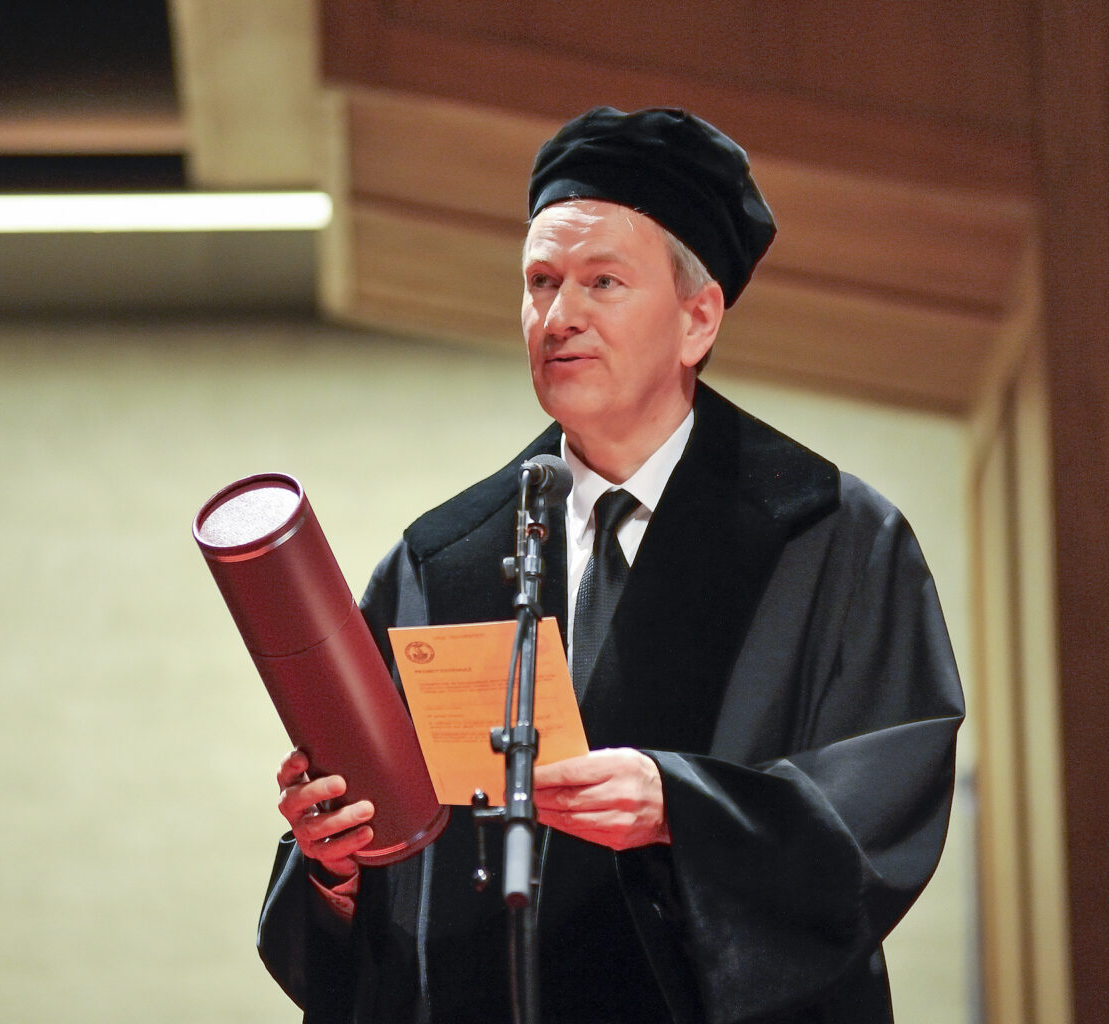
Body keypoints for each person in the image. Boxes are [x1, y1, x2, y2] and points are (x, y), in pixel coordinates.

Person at [258, 106, 964, 1024]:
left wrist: (680, 807)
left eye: (603, 282)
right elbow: (392, 893)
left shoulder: (831, 536)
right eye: (540, 282)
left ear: (698, 319)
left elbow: (877, 817)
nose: (560, 317)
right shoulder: (440, 560)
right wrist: (338, 868)